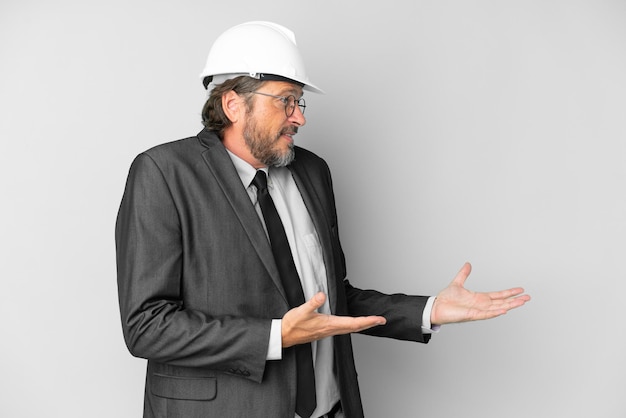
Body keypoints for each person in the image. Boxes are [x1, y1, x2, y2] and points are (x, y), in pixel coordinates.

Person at [115, 21, 530, 418]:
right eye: (286, 101)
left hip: (328, 408)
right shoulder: (164, 173)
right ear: (233, 104)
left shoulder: (311, 172)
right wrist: (274, 336)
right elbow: (147, 326)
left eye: (300, 102)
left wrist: (429, 310)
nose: (300, 117)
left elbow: (331, 297)